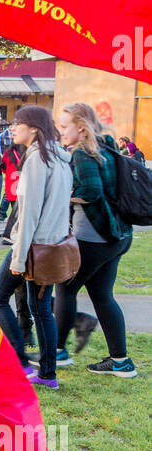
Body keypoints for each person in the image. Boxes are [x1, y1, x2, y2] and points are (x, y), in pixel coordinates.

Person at [0, 106, 72, 388]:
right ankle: (47, 373)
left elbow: (30, 214)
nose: (12, 128)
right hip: (50, 245)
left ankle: (21, 363)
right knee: (41, 308)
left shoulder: (38, 160)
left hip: (34, 246)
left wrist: (19, 258)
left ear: (33, 128)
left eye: (18, 123)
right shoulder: (58, 156)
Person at [55, 103, 136, 378]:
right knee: (102, 296)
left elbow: (91, 191)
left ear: (80, 127)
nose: (60, 131)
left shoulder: (82, 152)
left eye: (64, 126)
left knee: (65, 288)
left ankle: (57, 353)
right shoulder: (108, 147)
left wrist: (62, 198)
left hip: (95, 237)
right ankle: (121, 362)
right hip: (118, 235)